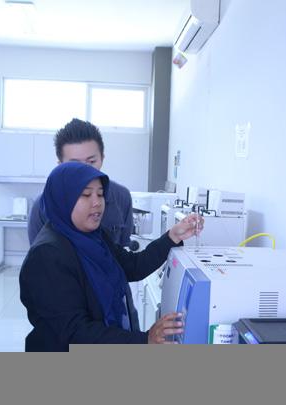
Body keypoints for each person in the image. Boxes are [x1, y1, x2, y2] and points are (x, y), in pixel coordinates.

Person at [19, 162, 203, 351]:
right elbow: (74, 332)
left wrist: (173, 236)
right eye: (86, 194)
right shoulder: (46, 256)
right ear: (62, 199)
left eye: (100, 194)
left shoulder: (96, 237)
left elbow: (133, 266)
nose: (97, 202)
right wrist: (144, 340)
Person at [27, 118, 133, 247]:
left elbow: (125, 250)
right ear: (60, 165)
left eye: (91, 162)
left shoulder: (121, 197)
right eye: (75, 164)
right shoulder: (42, 206)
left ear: (102, 159)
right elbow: (38, 255)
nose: (85, 171)